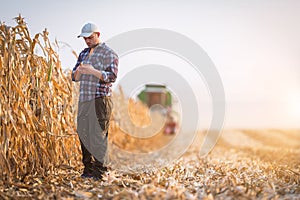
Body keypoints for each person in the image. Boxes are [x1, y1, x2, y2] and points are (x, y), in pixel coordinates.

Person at [71, 22, 118, 179]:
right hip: (84, 99)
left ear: (98, 35)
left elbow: (111, 76)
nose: (87, 41)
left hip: (100, 99)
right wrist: (79, 71)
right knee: (84, 134)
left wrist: (92, 71)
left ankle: (100, 172)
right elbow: (74, 77)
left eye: (90, 37)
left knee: (98, 135)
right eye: (84, 38)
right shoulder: (83, 53)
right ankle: (88, 170)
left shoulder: (108, 53)